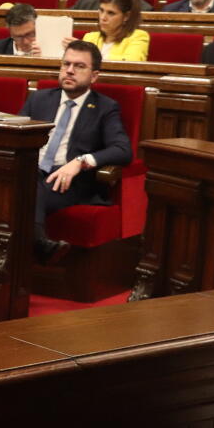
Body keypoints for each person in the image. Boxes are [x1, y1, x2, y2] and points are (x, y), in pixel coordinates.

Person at [21, 40, 132, 263]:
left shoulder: (105, 107)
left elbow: (122, 150)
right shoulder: (39, 99)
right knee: (25, 179)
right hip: (31, 171)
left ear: (94, 76)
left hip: (69, 183)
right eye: (66, 64)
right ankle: (38, 243)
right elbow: (17, 135)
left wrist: (81, 162)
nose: (70, 70)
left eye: (79, 66)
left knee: (26, 185)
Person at [72, 0, 149, 62]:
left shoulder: (138, 37)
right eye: (101, 10)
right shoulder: (90, 37)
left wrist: (85, 54)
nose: (103, 17)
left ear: (126, 16)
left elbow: (131, 62)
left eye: (111, 13)